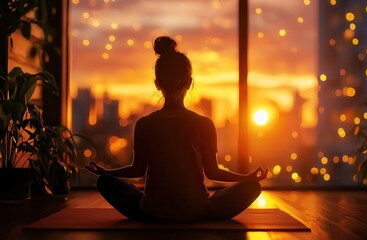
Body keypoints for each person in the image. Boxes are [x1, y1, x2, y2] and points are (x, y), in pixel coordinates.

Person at [86, 36, 268, 223]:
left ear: (157, 83)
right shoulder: (204, 123)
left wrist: (106, 173)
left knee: (105, 183)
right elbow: (213, 172)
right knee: (252, 188)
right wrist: (248, 177)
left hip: (151, 212)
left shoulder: (145, 124)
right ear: (189, 83)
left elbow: (137, 170)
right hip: (197, 211)